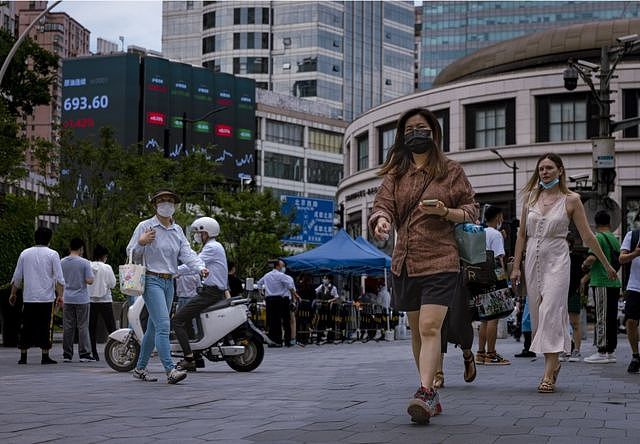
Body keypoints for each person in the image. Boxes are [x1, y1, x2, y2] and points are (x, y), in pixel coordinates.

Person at [369, 107, 478, 424]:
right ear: (403, 136)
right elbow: (381, 206)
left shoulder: (451, 171)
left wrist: (446, 211)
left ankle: (426, 392)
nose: (416, 132)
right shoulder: (395, 175)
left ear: (434, 132)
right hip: (404, 261)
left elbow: (471, 209)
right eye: (409, 129)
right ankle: (428, 389)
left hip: (442, 259)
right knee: (418, 330)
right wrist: (382, 222)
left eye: (422, 127)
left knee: (430, 327)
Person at [510, 153, 617, 394]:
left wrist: (607, 263)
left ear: (560, 170)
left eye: (549, 168)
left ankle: (548, 374)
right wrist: (516, 267)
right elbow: (521, 237)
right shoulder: (529, 199)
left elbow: (587, 235)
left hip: (557, 259)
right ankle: (555, 361)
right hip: (533, 262)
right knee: (539, 316)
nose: (544, 172)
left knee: (551, 311)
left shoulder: (571, 200)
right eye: (541, 169)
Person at [127, 189, 208, 384]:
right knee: (164, 325)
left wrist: (200, 268)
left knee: (154, 329)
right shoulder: (145, 226)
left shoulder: (177, 230)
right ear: (155, 205)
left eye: (170, 201)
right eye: (162, 201)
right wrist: (141, 242)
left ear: (175, 206)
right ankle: (170, 370)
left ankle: (139, 368)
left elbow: (187, 253)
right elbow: (131, 252)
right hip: (151, 280)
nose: (166, 204)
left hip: (169, 282)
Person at [174, 217, 230, 371]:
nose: (197, 236)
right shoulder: (214, 246)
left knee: (177, 321)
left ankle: (189, 358)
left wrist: (173, 272)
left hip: (210, 293)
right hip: (210, 292)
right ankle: (197, 357)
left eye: (200, 232)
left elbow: (194, 265)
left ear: (207, 232)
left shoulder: (211, 247)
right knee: (187, 320)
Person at [9, 227, 65, 365]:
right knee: (46, 326)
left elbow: (17, 276)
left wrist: (13, 293)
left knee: (26, 325)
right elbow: (59, 278)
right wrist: (60, 295)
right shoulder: (53, 254)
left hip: (29, 297)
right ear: (49, 239)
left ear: (35, 238)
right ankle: (45, 355)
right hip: (46, 298)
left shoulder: (25, 254)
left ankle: (23, 355)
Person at [582, 210, 622, 364]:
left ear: (595, 224)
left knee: (602, 317)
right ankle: (611, 351)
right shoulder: (614, 238)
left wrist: (584, 266)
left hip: (601, 282)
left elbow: (592, 258)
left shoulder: (598, 237)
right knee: (611, 317)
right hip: (614, 283)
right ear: (610, 223)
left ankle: (602, 350)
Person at [476, 205, 510, 366]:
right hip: (494, 279)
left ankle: (481, 353)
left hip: (479, 278)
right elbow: (500, 259)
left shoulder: (479, 232)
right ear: (497, 217)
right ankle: (491, 353)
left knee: (484, 318)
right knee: (494, 318)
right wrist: (505, 280)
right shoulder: (496, 234)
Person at [61, 238, 95, 363]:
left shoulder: (62, 262)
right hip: (82, 298)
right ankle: (84, 354)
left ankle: (67, 354)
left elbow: (59, 280)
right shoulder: (85, 262)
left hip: (67, 297)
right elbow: (90, 280)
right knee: (83, 326)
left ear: (70, 247)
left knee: (68, 326)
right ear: (81, 248)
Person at [88, 245, 117, 361]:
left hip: (91, 300)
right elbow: (112, 284)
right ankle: (115, 349)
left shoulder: (88, 266)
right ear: (104, 256)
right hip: (105, 299)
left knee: (91, 327)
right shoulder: (107, 267)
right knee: (111, 327)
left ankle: (93, 353)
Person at [257, 260, 295, 347]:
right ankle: (287, 340)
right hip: (280, 299)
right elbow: (290, 287)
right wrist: (293, 297)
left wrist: (261, 293)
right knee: (285, 320)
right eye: (282, 266)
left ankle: (275, 341)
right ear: (278, 266)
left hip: (269, 300)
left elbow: (259, 283)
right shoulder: (281, 275)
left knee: (272, 321)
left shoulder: (267, 275)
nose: (283, 267)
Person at [620, 225, 640, 373]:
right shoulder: (632, 236)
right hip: (635, 286)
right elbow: (622, 259)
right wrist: (636, 253)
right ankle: (635, 355)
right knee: (631, 321)